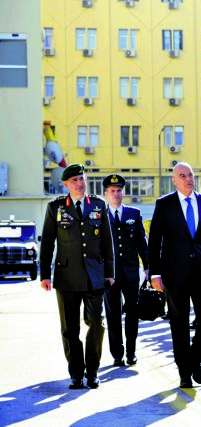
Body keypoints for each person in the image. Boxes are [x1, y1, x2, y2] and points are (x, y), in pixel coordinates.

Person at [148, 162, 201, 388]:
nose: (188, 179)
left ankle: (193, 361)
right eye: (182, 175)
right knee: (179, 324)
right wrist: (155, 274)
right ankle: (184, 371)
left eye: (190, 174)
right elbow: (154, 242)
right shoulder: (164, 204)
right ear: (174, 180)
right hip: (174, 273)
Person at [40, 163, 115, 389]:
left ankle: (92, 372)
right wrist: (45, 274)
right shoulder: (56, 207)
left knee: (96, 324)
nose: (80, 183)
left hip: (95, 276)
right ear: (66, 184)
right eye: (75, 180)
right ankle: (76, 373)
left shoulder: (99, 206)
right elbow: (48, 243)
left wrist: (110, 273)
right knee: (69, 328)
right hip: (66, 277)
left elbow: (107, 242)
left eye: (82, 179)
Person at [102, 174, 149, 367]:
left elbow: (141, 243)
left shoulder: (134, 214)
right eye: (112, 191)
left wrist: (147, 267)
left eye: (119, 190)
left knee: (132, 314)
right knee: (113, 316)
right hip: (109, 275)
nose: (116, 194)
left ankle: (131, 352)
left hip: (130, 274)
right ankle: (117, 354)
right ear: (105, 194)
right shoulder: (99, 216)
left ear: (123, 192)